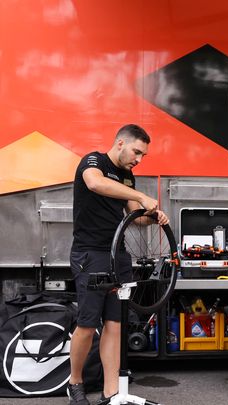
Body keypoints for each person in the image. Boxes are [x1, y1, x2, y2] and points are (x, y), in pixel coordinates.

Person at [67, 124, 169, 405]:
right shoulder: (93, 161)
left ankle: (111, 391)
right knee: (87, 325)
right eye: (137, 152)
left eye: (143, 155)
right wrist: (138, 196)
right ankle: (75, 382)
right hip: (90, 254)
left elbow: (134, 218)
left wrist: (153, 216)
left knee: (114, 323)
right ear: (121, 143)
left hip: (118, 256)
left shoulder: (127, 176)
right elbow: (95, 183)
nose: (139, 159)